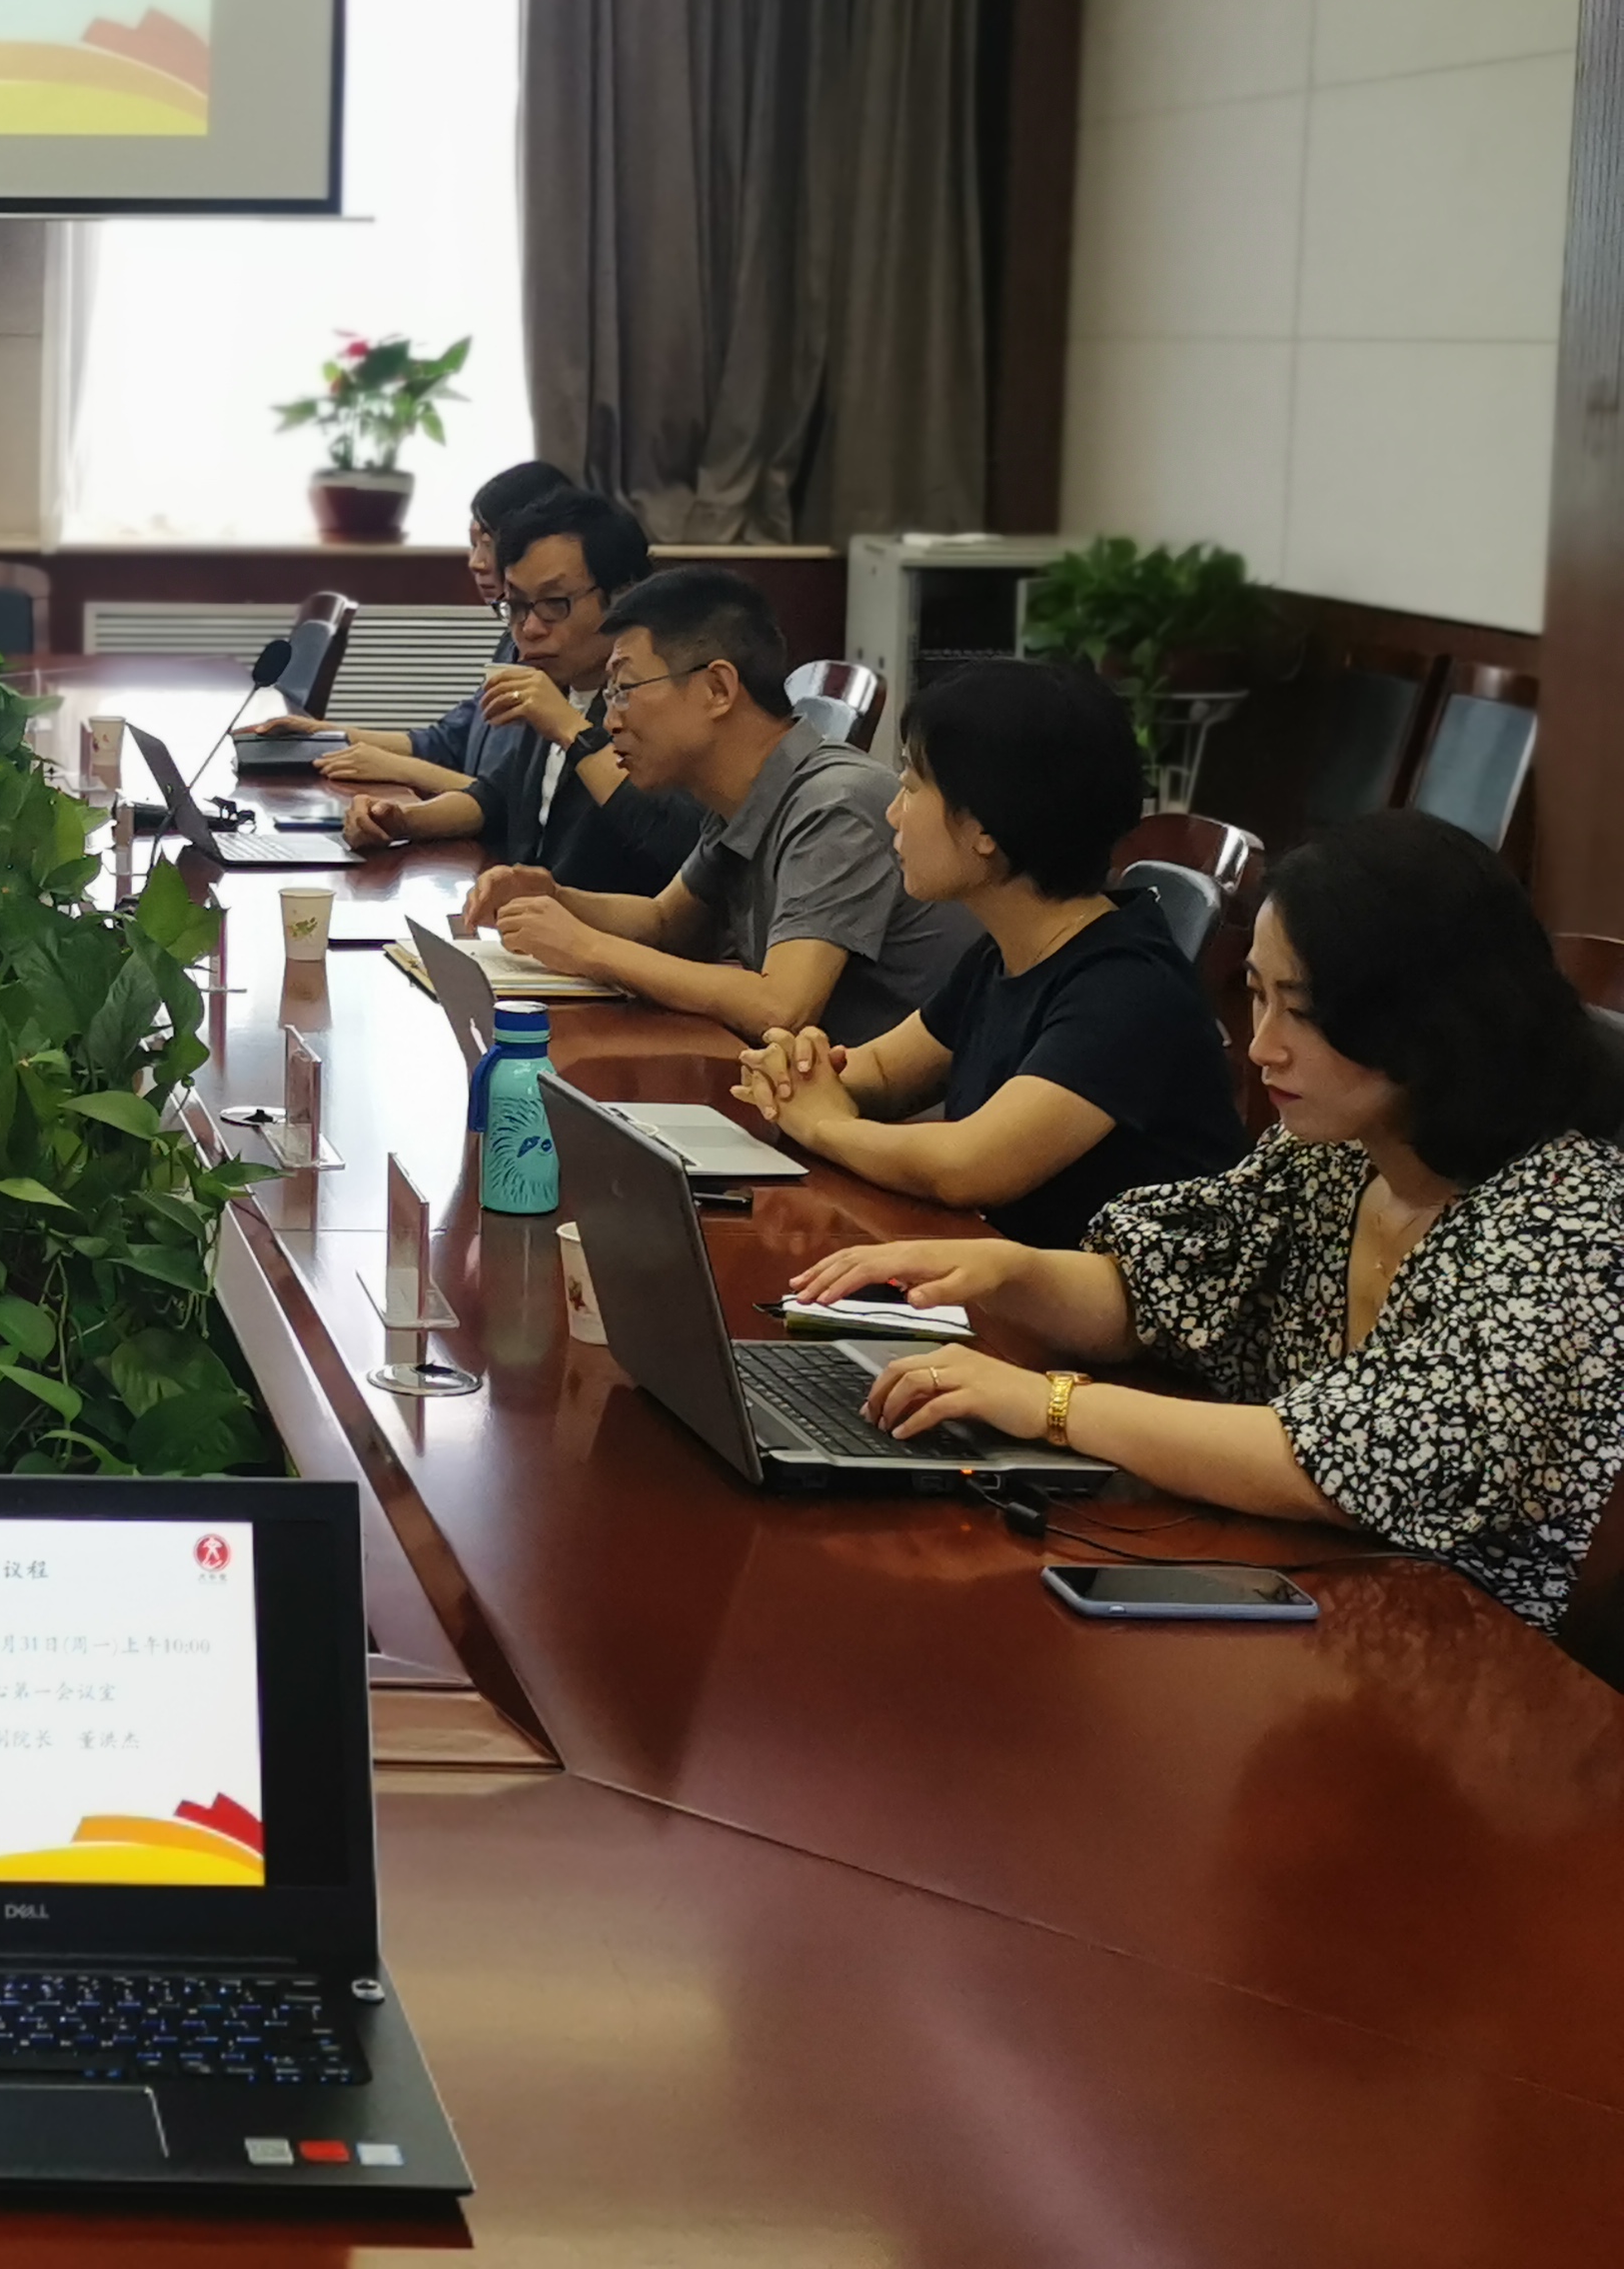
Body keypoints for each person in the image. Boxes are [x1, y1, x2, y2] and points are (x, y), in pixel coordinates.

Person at [791, 813, 1624, 1634]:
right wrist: (1009, 1272)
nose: (1262, 1047)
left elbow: (1348, 1465)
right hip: (1300, 1594)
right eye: (1256, 996)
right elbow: (1167, 1287)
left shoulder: (1566, 1223)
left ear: (1431, 1022)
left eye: (1302, 1011)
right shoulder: (1342, 1151)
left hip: (1471, 1656)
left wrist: (1050, 1405)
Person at [732, 662, 1247, 1246]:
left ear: (984, 828)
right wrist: (796, 1069)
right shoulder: (1006, 952)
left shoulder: (1127, 989)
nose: (893, 812)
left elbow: (968, 1167)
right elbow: (883, 1073)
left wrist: (823, 1125)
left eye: (911, 787)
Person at [464, 564, 971, 1046]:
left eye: (624, 690)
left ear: (717, 689)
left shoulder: (835, 803)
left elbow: (782, 1006)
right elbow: (665, 923)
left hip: (902, 1102)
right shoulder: (743, 794)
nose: (611, 721)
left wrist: (587, 948)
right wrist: (554, 896)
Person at [338, 487, 702, 898]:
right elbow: (498, 797)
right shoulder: (556, 681)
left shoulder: (660, 698)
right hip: (525, 918)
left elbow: (678, 840)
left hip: (601, 930)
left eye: (554, 603)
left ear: (623, 597)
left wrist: (572, 731)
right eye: (517, 606)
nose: (529, 628)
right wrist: (400, 820)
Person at [254, 456, 573, 796]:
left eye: (488, 544)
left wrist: (396, 768)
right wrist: (324, 734)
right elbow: (448, 741)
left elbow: (515, 807)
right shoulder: (512, 640)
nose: (475, 562)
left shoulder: (558, 660)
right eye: (472, 544)